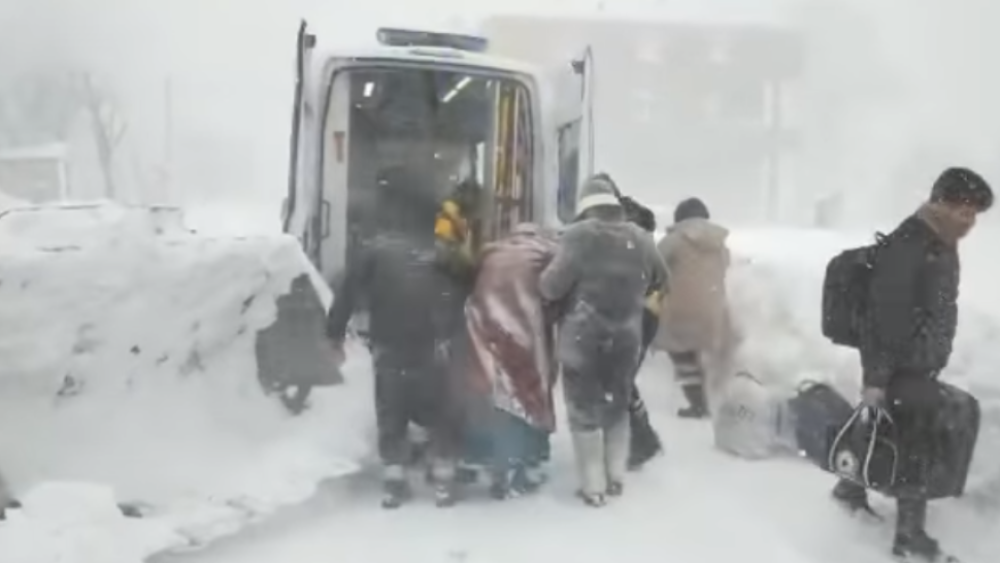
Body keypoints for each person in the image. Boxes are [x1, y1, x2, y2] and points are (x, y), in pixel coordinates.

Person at [831, 167, 992, 561]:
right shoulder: (911, 244)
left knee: (888, 426)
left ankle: (848, 490)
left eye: (974, 215)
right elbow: (885, 317)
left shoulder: (938, 243)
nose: (969, 222)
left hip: (914, 364)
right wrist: (877, 378)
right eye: (963, 211)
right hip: (900, 365)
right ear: (939, 202)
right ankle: (909, 537)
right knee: (917, 438)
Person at [326, 170, 460, 509]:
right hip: (433, 344)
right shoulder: (442, 251)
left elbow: (346, 293)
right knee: (440, 408)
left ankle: (395, 480)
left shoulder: (373, 250)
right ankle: (443, 477)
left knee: (391, 407)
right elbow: (462, 294)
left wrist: (334, 336)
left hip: (390, 343)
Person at [540, 175, 667, 507]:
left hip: (583, 338)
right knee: (616, 405)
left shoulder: (578, 237)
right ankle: (616, 477)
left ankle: (593, 484)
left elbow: (550, 287)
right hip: (626, 338)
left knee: (583, 409)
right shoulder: (640, 238)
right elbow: (661, 278)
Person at [462, 223, 560, 499]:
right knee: (530, 390)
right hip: (524, 329)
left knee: (494, 391)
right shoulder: (547, 253)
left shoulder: (492, 252)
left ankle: (490, 459)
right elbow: (556, 292)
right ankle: (523, 464)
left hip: (484, 326)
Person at [591, 172, 664, 470]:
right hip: (647, 307)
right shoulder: (631, 218)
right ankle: (635, 439)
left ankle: (639, 441)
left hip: (631, 308)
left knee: (617, 376)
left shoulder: (612, 223)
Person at [654, 197, 736, 419]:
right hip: (714, 306)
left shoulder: (674, 241)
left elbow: (653, 264)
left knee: (682, 354)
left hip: (682, 307)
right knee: (704, 351)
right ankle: (718, 395)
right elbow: (725, 265)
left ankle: (698, 404)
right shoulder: (720, 244)